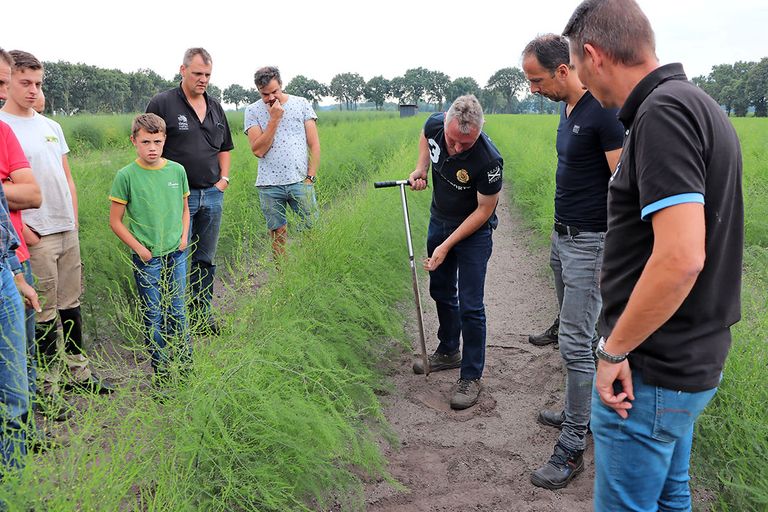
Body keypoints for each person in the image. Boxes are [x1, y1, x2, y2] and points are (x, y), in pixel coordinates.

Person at [563, 1, 744, 509]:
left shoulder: (662, 114)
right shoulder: (698, 105)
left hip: (650, 374)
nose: (581, 80)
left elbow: (682, 256)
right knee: (671, 495)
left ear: (593, 56)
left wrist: (613, 351)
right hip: (686, 362)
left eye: (577, 65)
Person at [521, 34, 624, 489]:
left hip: (591, 244)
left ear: (564, 70)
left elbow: (623, 188)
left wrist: (613, 253)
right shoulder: (566, 109)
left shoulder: (603, 113)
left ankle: (572, 445)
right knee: (573, 333)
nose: (532, 89)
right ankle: (578, 406)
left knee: (577, 343)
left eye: (537, 79)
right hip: (563, 238)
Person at [0, 50, 114, 396]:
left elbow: (67, 178)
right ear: (10, 82)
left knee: (70, 304)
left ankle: (78, 374)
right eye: (25, 82)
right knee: (44, 311)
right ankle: (48, 387)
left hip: (66, 228)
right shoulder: (5, 127)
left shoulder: (51, 126)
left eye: (38, 83)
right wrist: (25, 231)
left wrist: (73, 221)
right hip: (34, 235)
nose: (33, 90)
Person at [408, 95, 502, 410]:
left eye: (467, 143)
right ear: (446, 125)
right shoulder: (435, 124)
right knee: (441, 290)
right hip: (440, 220)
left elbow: (484, 210)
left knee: (471, 305)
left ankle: (471, 375)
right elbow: (425, 135)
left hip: (473, 232)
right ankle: (448, 350)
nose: (458, 148)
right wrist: (421, 168)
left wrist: (447, 246)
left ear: (478, 133)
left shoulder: (488, 160)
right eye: (453, 140)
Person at [146, 48, 233, 335]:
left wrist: (223, 181)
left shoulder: (216, 106)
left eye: (207, 75)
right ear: (183, 70)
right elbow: (149, 143)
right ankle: (175, 320)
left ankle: (201, 317)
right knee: (176, 259)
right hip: (177, 198)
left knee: (205, 259)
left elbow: (224, 148)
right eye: (197, 73)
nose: (203, 79)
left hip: (211, 194)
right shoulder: (163, 103)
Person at [109, 113, 190, 381]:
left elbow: (184, 208)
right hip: (148, 258)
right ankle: (162, 371)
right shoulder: (126, 176)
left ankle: (186, 365)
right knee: (153, 313)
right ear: (134, 141)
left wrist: (183, 237)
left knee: (177, 309)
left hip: (176, 253)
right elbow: (116, 222)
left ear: (165, 139)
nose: (152, 148)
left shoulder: (176, 171)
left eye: (157, 141)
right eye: (145, 142)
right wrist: (140, 249)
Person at [0, 46, 41, 473]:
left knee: (17, 377)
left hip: (9, 262)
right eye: (17, 82)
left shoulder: (3, 134)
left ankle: (15, 480)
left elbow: (33, 194)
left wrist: (13, 269)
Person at [244, 66, 320, 259]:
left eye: (274, 92)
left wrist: (310, 177)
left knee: (311, 231)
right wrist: (274, 120)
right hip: (269, 185)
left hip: (299, 181)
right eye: (265, 94)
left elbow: (314, 144)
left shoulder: (301, 104)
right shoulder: (252, 111)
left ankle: (314, 271)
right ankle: (282, 278)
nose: (271, 98)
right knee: (278, 234)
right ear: (258, 91)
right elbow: (258, 150)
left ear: (281, 85)